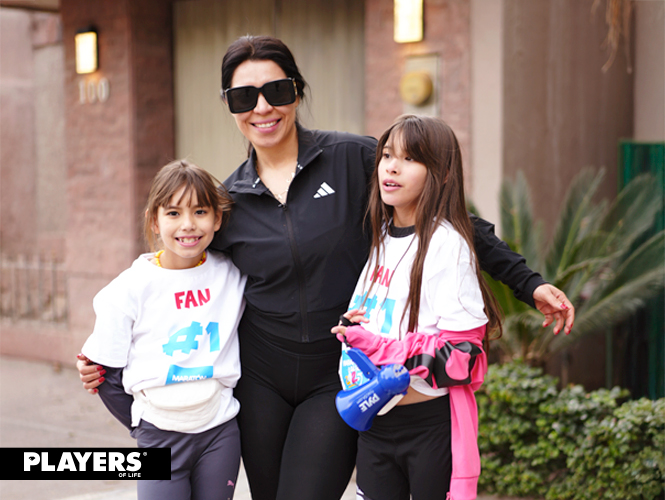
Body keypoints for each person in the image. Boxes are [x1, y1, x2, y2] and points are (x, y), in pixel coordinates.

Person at [78, 35, 574, 500]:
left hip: (335, 373)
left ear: (297, 91)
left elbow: (451, 218)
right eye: (243, 97)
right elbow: (179, 268)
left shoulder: (353, 159)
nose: (262, 107)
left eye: (275, 90)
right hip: (262, 378)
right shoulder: (227, 202)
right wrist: (113, 339)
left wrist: (527, 283)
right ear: (230, 106)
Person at [332, 114, 499, 500]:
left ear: (440, 174)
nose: (391, 166)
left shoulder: (447, 245)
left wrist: (379, 348)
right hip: (374, 422)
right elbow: (383, 316)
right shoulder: (381, 234)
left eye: (410, 159)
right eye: (387, 154)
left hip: (426, 428)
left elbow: (463, 357)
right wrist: (352, 327)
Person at [78, 160, 247, 500]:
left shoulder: (234, 274)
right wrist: (143, 426)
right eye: (173, 213)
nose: (188, 224)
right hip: (158, 435)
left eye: (200, 211)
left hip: (219, 432)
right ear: (154, 220)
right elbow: (103, 374)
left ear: (217, 219)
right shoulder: (129, 289)